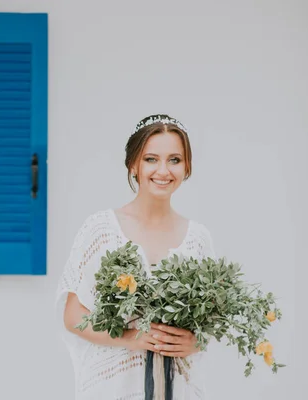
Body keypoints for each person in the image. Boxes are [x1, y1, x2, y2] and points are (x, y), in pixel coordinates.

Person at [56, 114, 216, 400]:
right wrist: (132, 338)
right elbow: (73, 316)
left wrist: (193, 342)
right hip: (115, 386)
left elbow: (209, 324)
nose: (163, 171)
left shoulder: (198, 238)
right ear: (133, 164)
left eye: (175, 160)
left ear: (187, 166)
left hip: (176, 387)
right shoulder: (102, 229)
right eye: (151, 159)